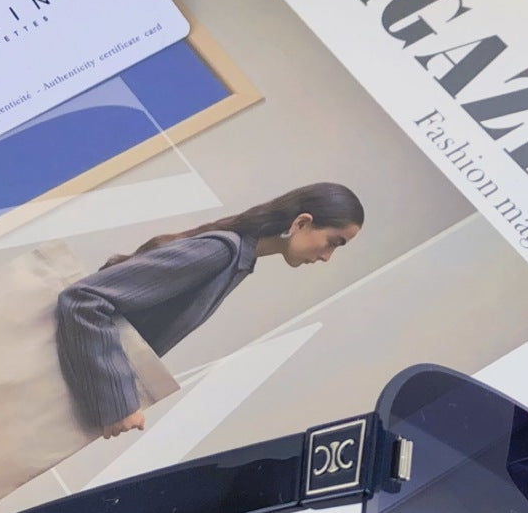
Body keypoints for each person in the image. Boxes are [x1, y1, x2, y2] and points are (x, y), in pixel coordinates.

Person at [56, 183, 363, 439]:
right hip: (59, 380)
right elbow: (84, 299)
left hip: (66, 383)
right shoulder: (220, 253)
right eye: (333, 242)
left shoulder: (234, 260)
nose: (327, 257)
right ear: (301, 223)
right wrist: (119, 402)